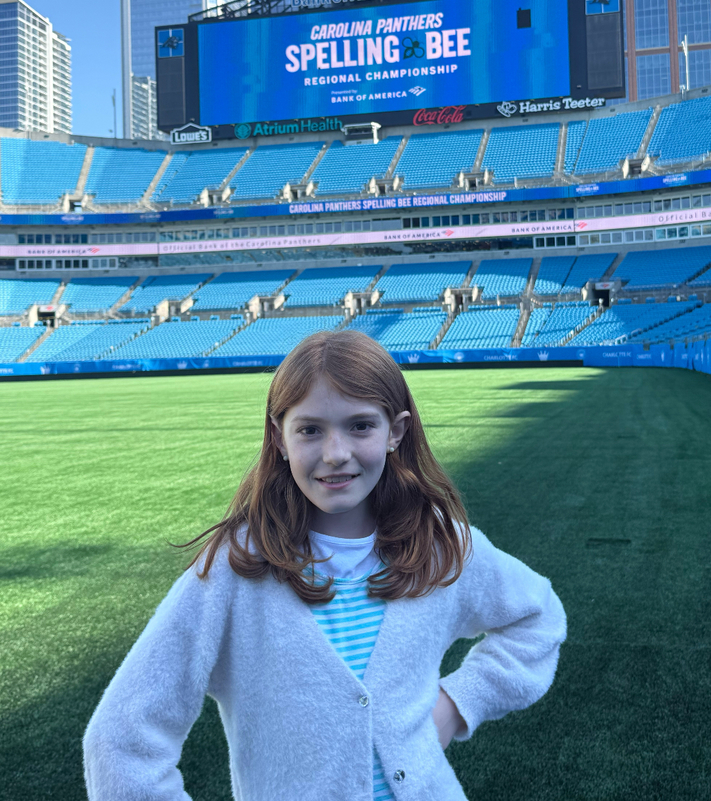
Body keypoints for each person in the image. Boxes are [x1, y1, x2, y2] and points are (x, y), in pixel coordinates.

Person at [83, 329, 567, 801]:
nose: (335, 455)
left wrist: (458, 705)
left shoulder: (440, 545)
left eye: (360, 425)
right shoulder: (234, 570)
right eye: (310, 429)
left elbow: (538, 619)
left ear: (395, 431)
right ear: (279, 437)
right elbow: (119, 739)